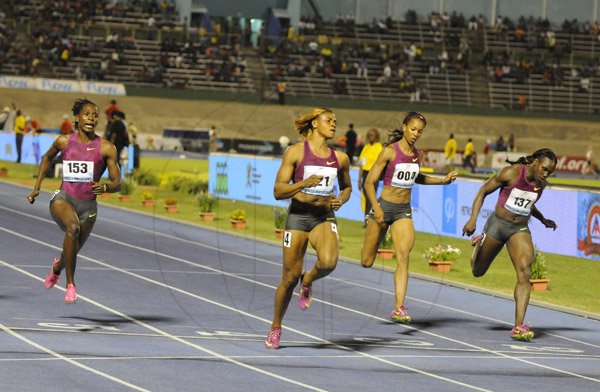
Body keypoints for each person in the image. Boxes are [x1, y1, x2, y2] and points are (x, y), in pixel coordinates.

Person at [265, 108, 352, 349]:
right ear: (314, 124)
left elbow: (346, 188)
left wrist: (341, 200)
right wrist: (304, 183)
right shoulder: (295, 152)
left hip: (323, 216)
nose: (334, 124)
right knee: (288, 277)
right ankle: (276, 326)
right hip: (299, 217)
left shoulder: (340, 158)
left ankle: (309, 279)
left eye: (336, 121)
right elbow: (278, 191)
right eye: (328, 120)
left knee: (329, 262)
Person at [361, 112, 458, 324]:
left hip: (402, 211)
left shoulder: (416, 154)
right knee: (367, 261)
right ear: (405, 127)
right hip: (382, 208)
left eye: (420, 131)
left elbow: (418, 177)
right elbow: (369, 182)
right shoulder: (389, 152)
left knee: (403, 256)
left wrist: (443, 181)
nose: (415, 134)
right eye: (413, 129)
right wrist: (376, 208)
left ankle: (399, 307)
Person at [27, 98, 121, 304]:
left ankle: (56, 269)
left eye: (95, 115)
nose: (91, 118)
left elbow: (117, 183)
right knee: (72, 228)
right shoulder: (64, 142)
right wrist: (37, 188)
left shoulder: (106, 148)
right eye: (86, 114)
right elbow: (46, 158)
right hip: (64, 199)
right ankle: (71, 285)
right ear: (77, 118)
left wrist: (104, 187)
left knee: (71, 251)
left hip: (88, 207)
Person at [462, 148, 557, 341]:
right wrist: (473, 220)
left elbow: (528, 203)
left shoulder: (541, 184)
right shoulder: (511, 173)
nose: (546, 174)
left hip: (519, 229)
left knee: (525, 270)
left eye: (550, 172)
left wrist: (543, 219)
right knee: (478, 271)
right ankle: (477, 246)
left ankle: (518, 325)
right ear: (535, 162)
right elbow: (483, 191)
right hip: (497, 225)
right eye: (545, 169)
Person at [358, 128, 383, 225]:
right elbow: (361, 163)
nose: (370, 137)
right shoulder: (366, 147)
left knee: (370, 197)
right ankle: (366, 218)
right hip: (364, 174)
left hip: (373, 174)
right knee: (365, 196)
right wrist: (359, 179)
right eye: (369, 135)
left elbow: (379, 163)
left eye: (372, 135)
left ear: (376, 136)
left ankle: (369, 219)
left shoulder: (378, 147)